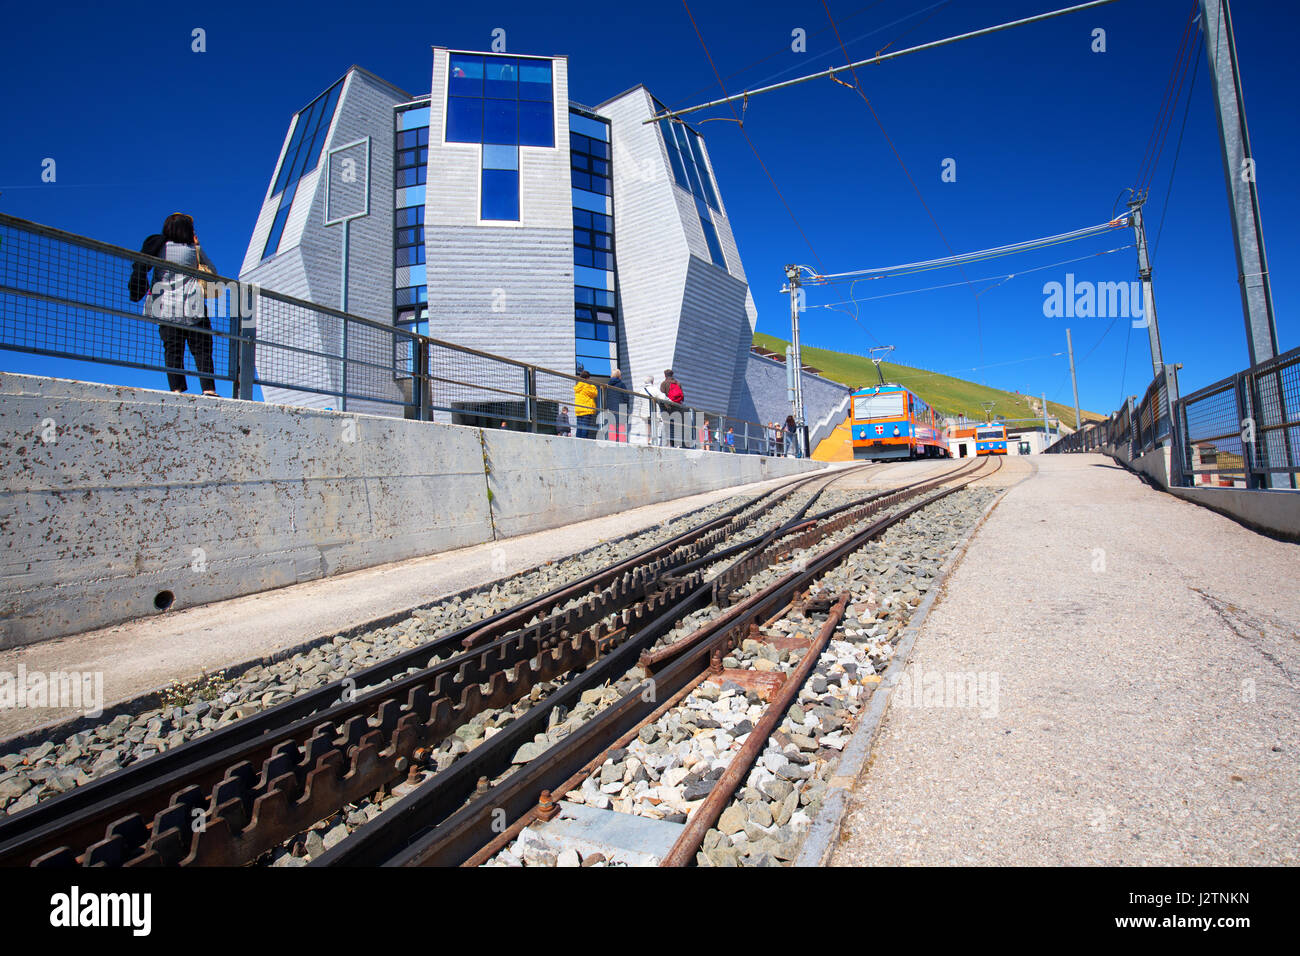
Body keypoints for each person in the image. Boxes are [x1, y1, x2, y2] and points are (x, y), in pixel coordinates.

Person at [132, 212, 217, 396]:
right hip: (193, 306)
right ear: (186, 230)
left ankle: (176, 389)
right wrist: (198, 246)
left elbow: (142, 266)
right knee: (202, 349)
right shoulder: (193, 250)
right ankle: (209, 389)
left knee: (173, 350)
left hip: (166, 307)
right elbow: (213, 271)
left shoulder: (160, 247)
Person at [658, 369, 685, 447]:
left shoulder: (664, 383)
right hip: (677, 408)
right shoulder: (678, 383)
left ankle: (669, 443)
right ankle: (677, 444)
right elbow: (682, 397)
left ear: (665, 375)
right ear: (672, 375)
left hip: (667, 408)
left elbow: (661, 397)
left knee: (668, 426)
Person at [605, 367, 628, 442]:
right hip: (621, 407)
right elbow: (626, 396)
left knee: (612, 426)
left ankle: (612, 442)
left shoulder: (608, 386)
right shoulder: (621, 384)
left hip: (611, 407)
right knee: (621, 427)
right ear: (619, 375)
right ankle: (621, 443)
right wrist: (627, 406)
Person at [574, 370, 598, 439]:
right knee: (585, 429)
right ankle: (584, 444)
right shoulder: (588, 386)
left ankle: (577, 443)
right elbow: (595, 393)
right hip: (586, 409)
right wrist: (592, 385)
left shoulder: (578, 386)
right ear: (587, 378)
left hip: (579, 410)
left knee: (579, 428)